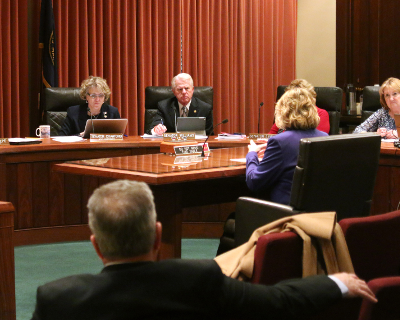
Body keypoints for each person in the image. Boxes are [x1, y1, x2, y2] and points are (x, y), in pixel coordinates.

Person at [30, 179, 376, 320]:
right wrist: (337, 282)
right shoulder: (197, 277)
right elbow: (279, 301)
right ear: (157, 236)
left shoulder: (57, 298)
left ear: (96, 247)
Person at [247, 87, 328, 205]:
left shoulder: (279, 142)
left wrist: (252, 154)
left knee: (234, 218)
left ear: (283, 112)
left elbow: (254, 182)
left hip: (284, 214)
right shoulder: (324, 137)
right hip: (317, 213)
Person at [149, 73, 214, 135]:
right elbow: (152, 127)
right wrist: (156, 129)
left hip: (195, 144)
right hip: (171, 144)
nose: (184, 92)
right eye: (180, 89)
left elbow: (210, 136)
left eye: (187, 88)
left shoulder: (204, 108)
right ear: (174, 92)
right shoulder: (164, 106)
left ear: (192, 89)